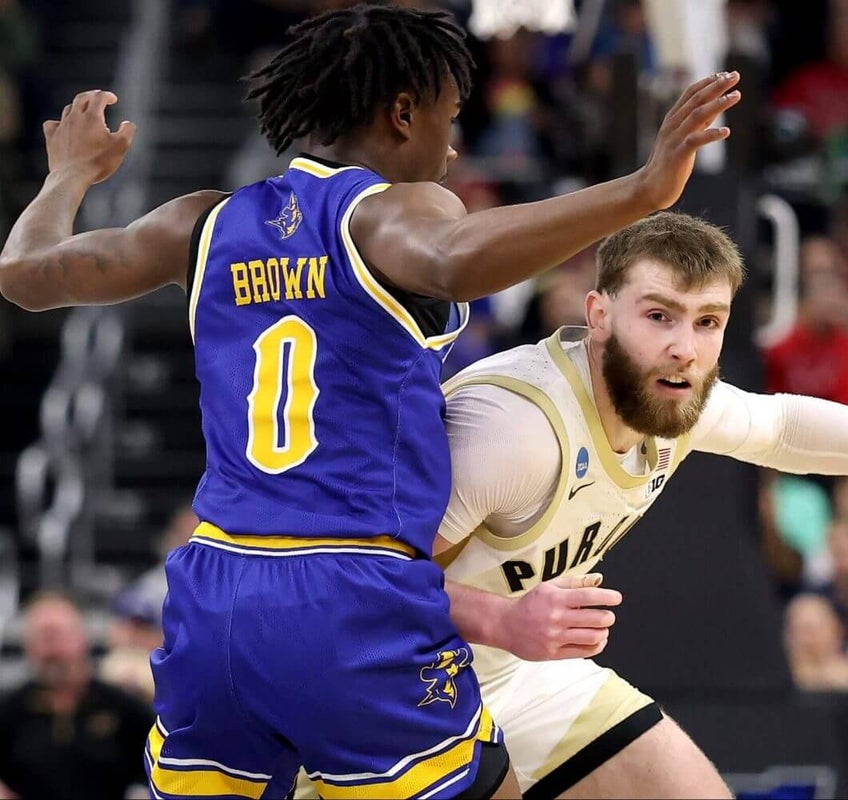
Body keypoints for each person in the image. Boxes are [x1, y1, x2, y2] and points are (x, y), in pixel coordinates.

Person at [0, 5, 742, 797]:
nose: (452, 149)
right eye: (448, 120)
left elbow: (23, 271)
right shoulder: (393, 207)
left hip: (215, 594)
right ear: (401, 113)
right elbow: (456, 261)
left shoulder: (198, 224)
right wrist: (642, 190)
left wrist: (69, 177)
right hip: (349, 593)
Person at [433, 212, 848, 798]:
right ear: (598, 314)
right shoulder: (512, 428)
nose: (685, 346)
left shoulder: (671, 400)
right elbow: (357, 579)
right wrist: (500, 622)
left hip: (523, 672)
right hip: (409, 680)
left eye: (706, 321)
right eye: (659, 316)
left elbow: (785, 429)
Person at [0, 593, 155, 800]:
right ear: (27, 645)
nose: (50, 648)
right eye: (40, 636)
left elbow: (156, 767)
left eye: (57, 634)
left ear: (83, 637)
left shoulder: (123, 707)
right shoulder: (10, 709)